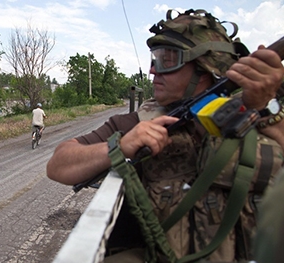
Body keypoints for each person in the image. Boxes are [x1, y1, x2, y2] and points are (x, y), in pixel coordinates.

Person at [47, 9, 284, 263]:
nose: (153, 71)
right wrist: (121, 146)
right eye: (154, 59)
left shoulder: (256, 108)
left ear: (204, 69)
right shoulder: (137, 123)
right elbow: (58, 164)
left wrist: (264, 109)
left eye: (167, 60)